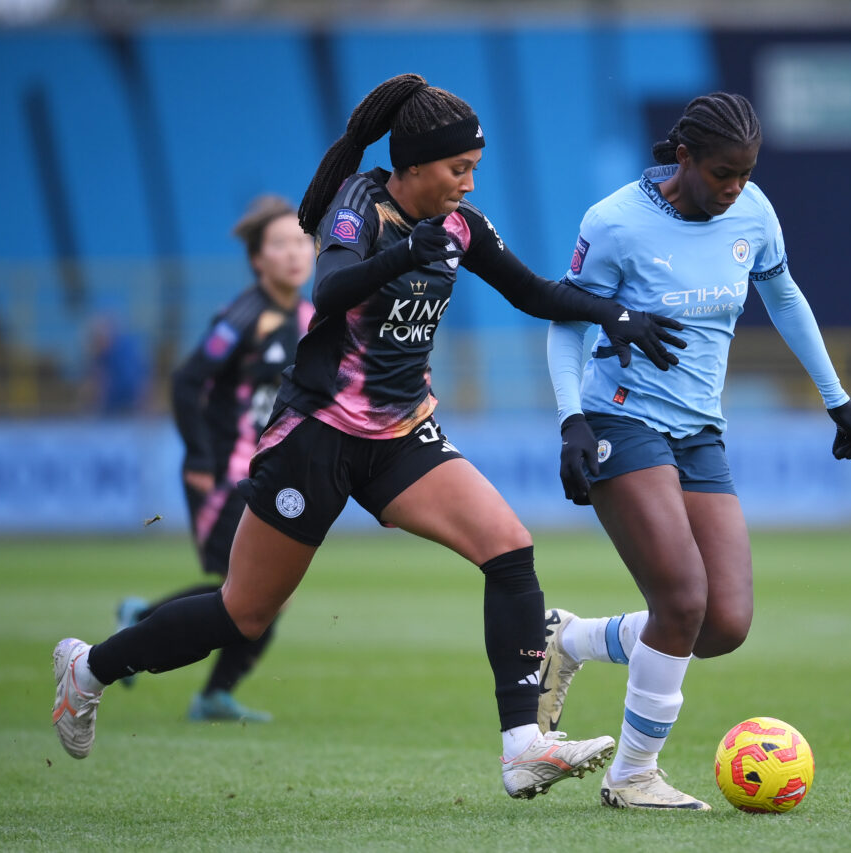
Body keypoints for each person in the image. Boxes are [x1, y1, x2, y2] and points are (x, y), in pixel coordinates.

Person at [50, 73, 686, 801]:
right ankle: (88, 669)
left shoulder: (457, 226)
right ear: (413, 164)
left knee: (508, 547)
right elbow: (330, 290)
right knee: (244, 611)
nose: (469, 185)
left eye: (474, 169)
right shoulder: (360, 206)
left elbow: (533, 290)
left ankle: (522, 747)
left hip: (401, 434)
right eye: (458, 169)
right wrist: (409, 249)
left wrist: (615, 315)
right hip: (314, 436)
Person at [540, 92, 851, 810]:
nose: (735, 188)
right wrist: (571, 419)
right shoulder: (614, 223)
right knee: (681, 599)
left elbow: (783, 294)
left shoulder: (752, 211)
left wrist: (836, 397)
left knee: (722, 622)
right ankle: (633, 775)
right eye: (724, 172)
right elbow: (568, 321)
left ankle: (571, 638)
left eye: (747, 172)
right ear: (683, 156)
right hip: (619, 418)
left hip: (700, 430)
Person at [114, 195, 315, 723]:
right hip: (224, 473)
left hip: (265, 472)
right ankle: (197, 679)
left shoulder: (310, 315)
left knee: (265, 594)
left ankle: (184, 662)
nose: (295, 253)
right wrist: (199, 455)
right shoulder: (242, 316)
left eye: (302, 241)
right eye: (280, 244)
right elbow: (185, 381)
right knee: (257, 591)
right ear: (257, 259)